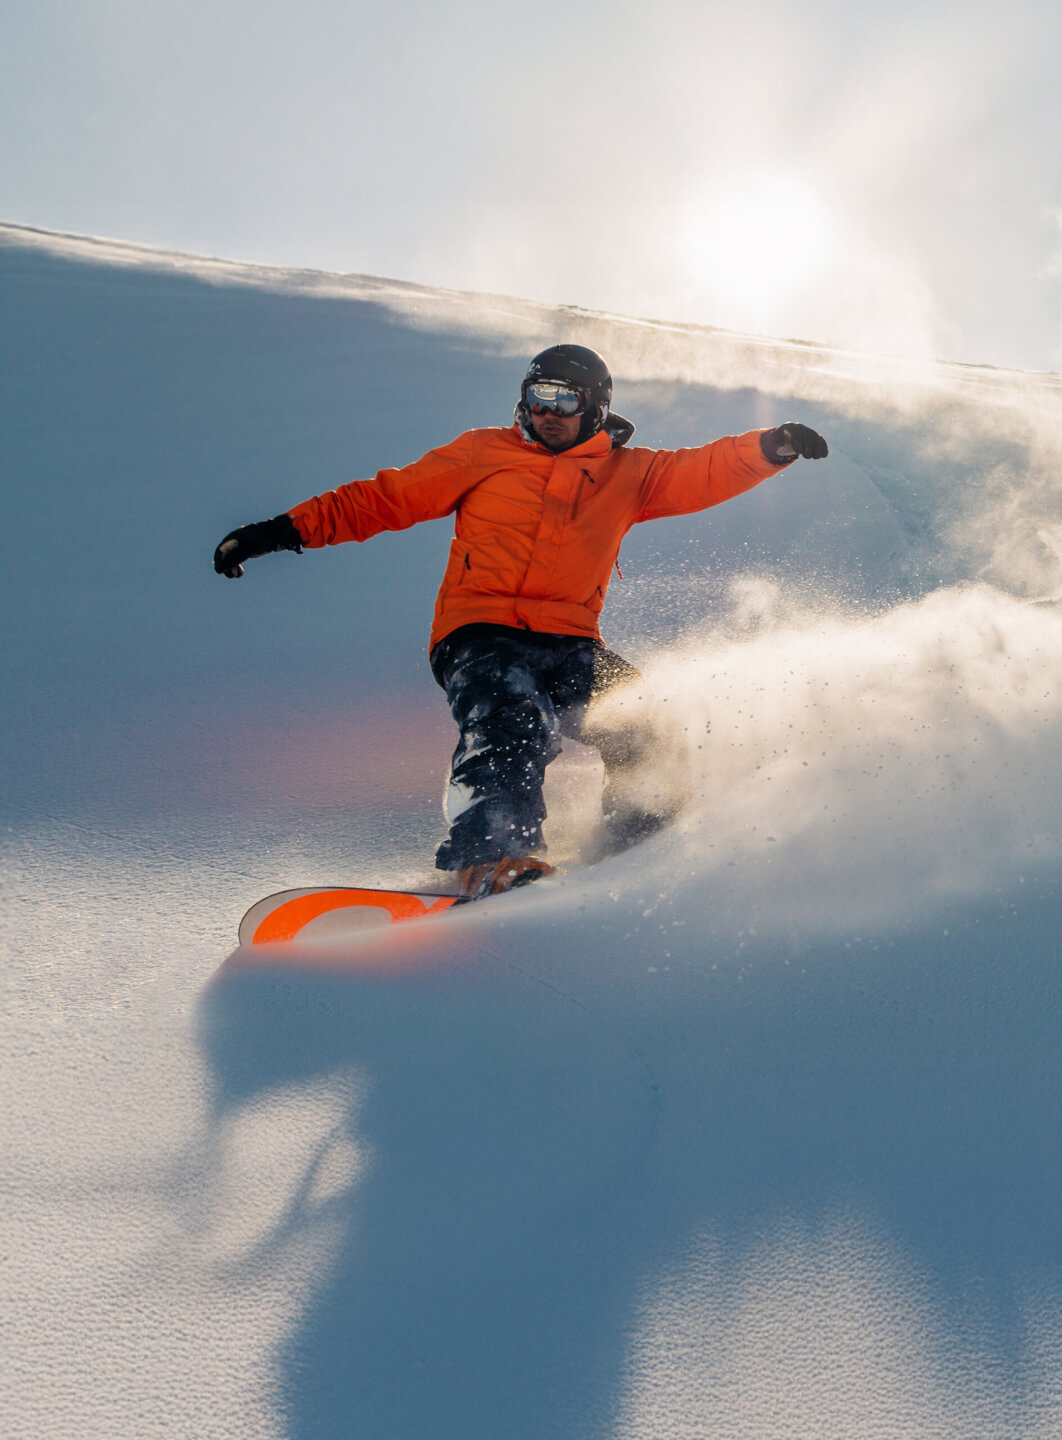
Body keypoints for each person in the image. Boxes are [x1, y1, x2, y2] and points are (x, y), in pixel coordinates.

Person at [214, 344, 828, 899]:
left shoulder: (630, 473)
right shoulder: (485, 452)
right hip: (480, 631)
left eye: (566, 399)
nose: (548, 411)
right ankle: (494, 858)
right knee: (512, 721)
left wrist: (771, 447)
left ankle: (636, 850)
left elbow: (705, 471)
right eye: (539, 397)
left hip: (570, 641)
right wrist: (277, 533)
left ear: (595, 408)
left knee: (645, 721)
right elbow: (384, 499)